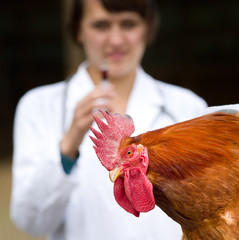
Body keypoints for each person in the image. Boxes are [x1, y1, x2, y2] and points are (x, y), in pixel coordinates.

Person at [10, 0, 207, 239]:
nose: (115, 40)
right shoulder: (40, 106)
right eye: (101, 25)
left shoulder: (187, 107)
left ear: (147, 29)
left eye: (129, 24)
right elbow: (30, 223)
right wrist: (69, 144)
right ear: (78, 30)